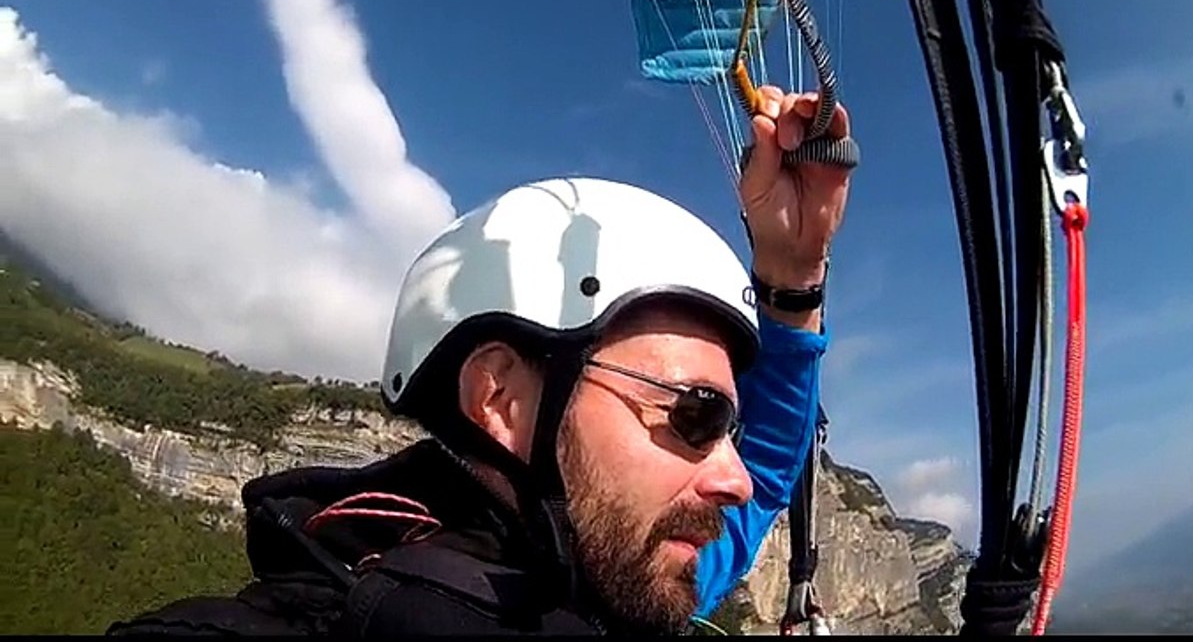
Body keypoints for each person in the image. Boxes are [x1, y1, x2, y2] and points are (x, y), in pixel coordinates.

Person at [105, 86, 854, 636]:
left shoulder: (620, 563)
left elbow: (764, 478)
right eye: (695, 414)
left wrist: (793, 279)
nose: (732, 476)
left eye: (725, 426)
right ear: (500, 397)